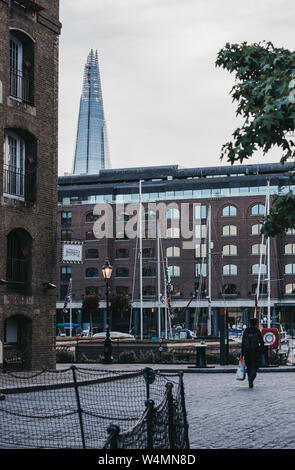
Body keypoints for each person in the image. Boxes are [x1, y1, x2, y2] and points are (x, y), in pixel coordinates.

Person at [241, 318, 265, 388]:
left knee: (249, 366)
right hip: (255, 351)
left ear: (249, 323)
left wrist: (242, 353)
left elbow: (243, 342)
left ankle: (250, 380)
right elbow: (261, 342)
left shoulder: (246, 331)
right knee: (255, 366)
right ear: (256, 324)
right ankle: (251, 379)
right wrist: (262, 351)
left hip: (247, 352)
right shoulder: (257, 331)